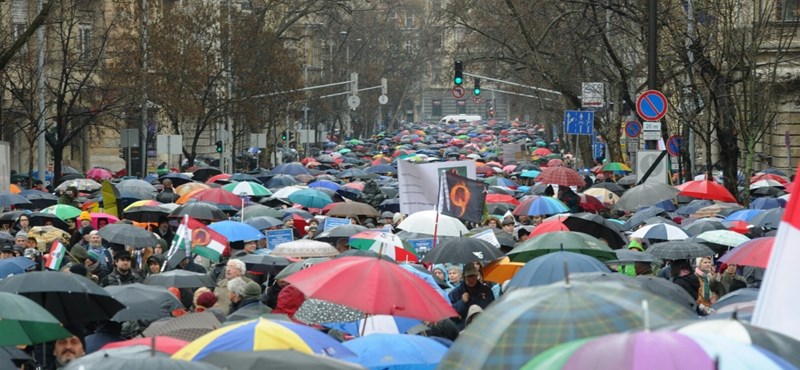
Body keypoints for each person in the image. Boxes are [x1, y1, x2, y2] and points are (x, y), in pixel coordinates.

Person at [448, 263, 494, 329]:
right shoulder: (455, 293)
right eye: (469, 277)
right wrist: (462, 302)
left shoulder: (486, 291)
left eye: (473, 276)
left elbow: (492, 308)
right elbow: (450, 315)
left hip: (484, 327)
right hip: (463, 330)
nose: (471, 279)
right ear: (463, 277)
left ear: (477, 276)